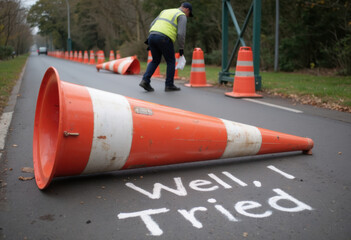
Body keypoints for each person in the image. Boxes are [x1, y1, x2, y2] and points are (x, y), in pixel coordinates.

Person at [139, 2, 193, 92]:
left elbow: (152, 24)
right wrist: (181, 48)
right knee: (171, 61)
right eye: (189, 14)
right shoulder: (182, 15)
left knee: (155, 60)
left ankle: (145, 81)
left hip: (152, 36)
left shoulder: (165, 11)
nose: (187, 16)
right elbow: (181, 34)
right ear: (187, 9)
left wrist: (153, 38)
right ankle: (169, 85)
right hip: (164, 38)